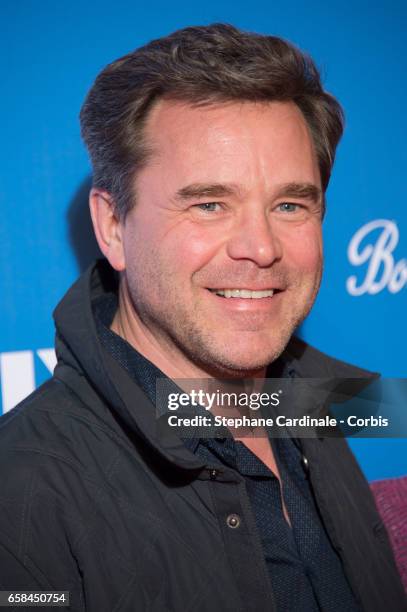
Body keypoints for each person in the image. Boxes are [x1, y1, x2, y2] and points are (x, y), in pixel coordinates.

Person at [0, 23, 405, 612]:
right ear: (113, 226)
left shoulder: (327, 403)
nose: (261, 248)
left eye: (290, 204)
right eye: (210, 204)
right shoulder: (23, 494)